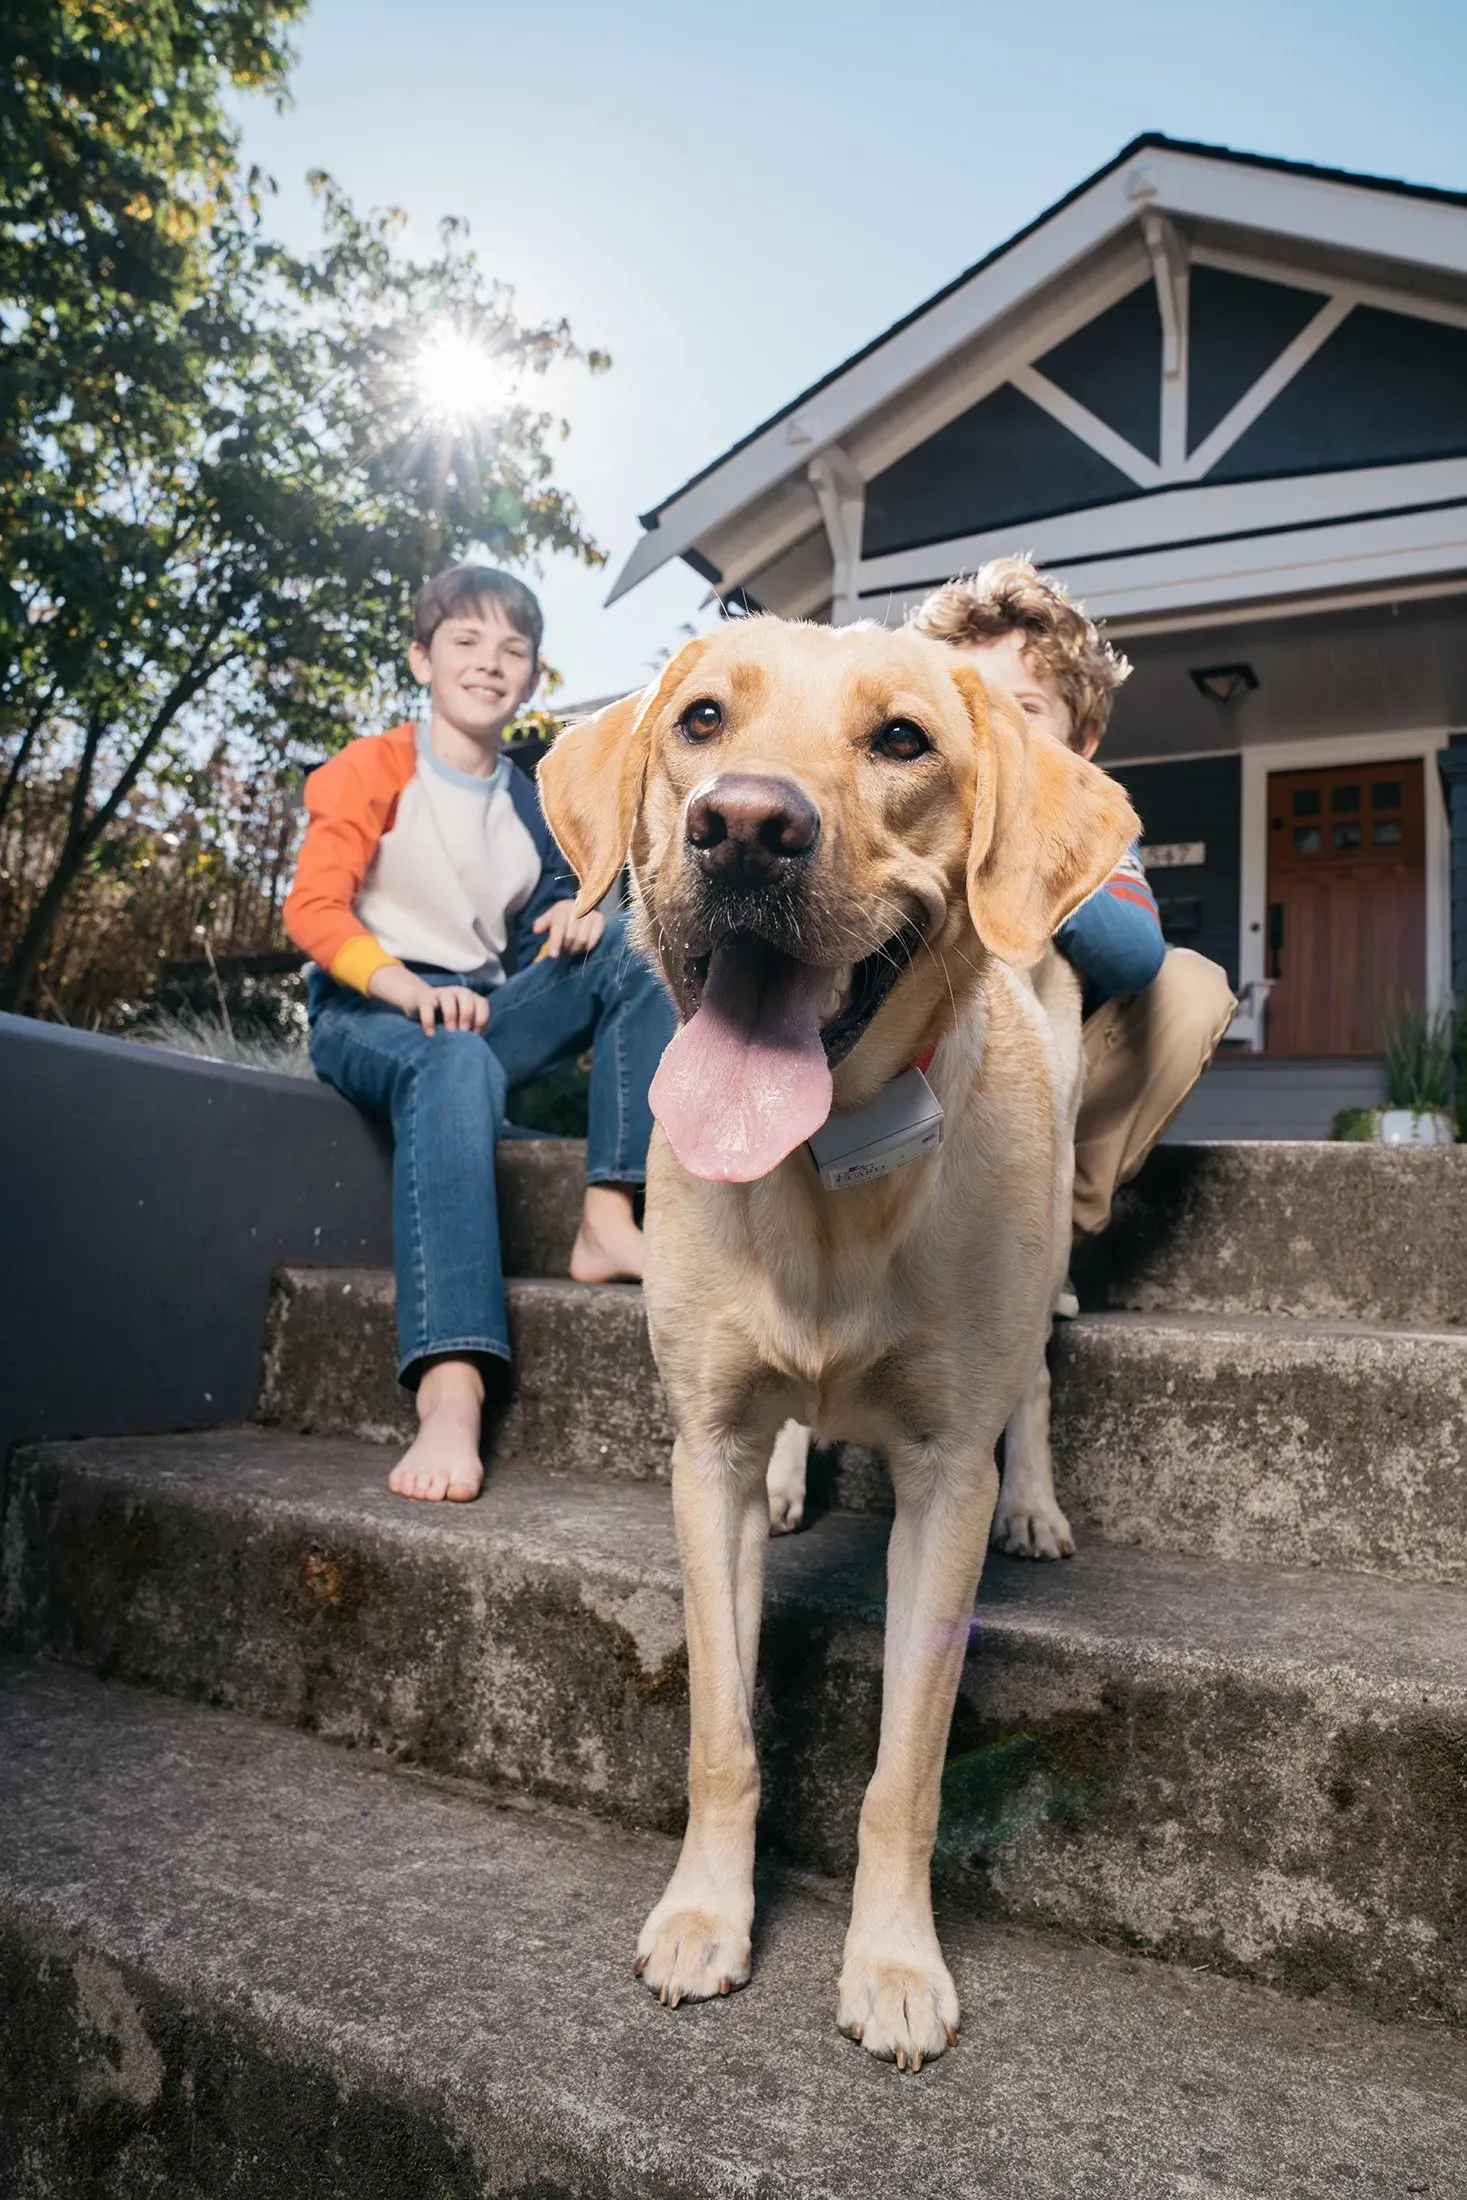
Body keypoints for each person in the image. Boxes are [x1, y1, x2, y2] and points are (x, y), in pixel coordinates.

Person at [284, 563, 674, 1504]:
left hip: (479, 1014)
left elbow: (551, 898)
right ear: (423, 657)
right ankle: (451, 1392)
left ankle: (608, 1218)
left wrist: (577, 910)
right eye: (465, 641)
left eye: (513, 650)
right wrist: (400, 985)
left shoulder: (532, 797)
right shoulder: (371, 767)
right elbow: (312, 909)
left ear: (533, 677)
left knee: (638, 939)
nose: (489, 663)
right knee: (452, 1055)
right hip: (372, 1011)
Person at [910, 555, 1236, 1264]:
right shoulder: (912, 808)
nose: (997, 727)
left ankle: (1046, 1241)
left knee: (1191, 985)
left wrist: (1026, 850)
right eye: (971, 703)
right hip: (917, 1094)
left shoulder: (1088, 826)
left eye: (1024, 710)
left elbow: (1131, 956)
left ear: (1082, 744)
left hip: (1043, 1110)